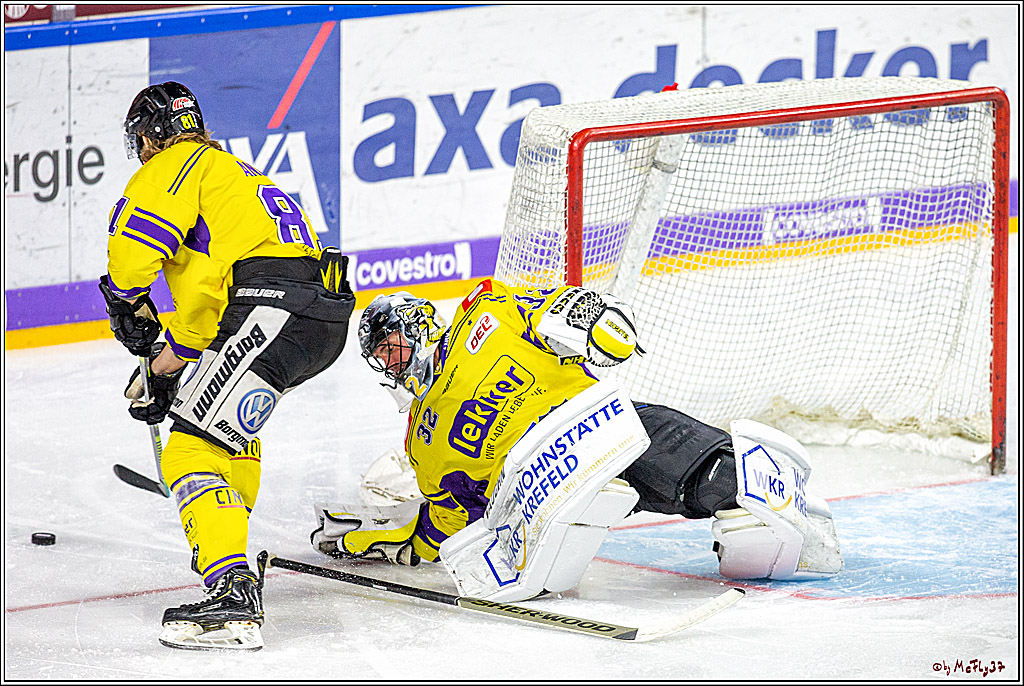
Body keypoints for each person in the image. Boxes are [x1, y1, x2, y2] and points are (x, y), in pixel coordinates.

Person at [311, 280, 842, 601]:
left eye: (392, 345)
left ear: (421, 325)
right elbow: (452, 517)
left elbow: (556, 312)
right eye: (380, 356)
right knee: (542, 552)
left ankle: (786, 525)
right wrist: (390, 542)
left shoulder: (488, 316)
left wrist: (593, 318)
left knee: (721, 484)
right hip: (542, 479)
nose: (390, 360)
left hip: (600, 424)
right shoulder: (422, 438)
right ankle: (557, 545)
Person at [98, 81, 355, 651]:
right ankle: (229, 556)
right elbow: (205, 319)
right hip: (313, 317)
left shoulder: (171, 166)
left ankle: (232, 598)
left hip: (276, 306)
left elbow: (133, 255)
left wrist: (122, 298)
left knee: (191, 449)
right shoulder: (230, 175)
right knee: (220, 429)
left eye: (141, 140)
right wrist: (163, 372)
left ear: (148, 137)